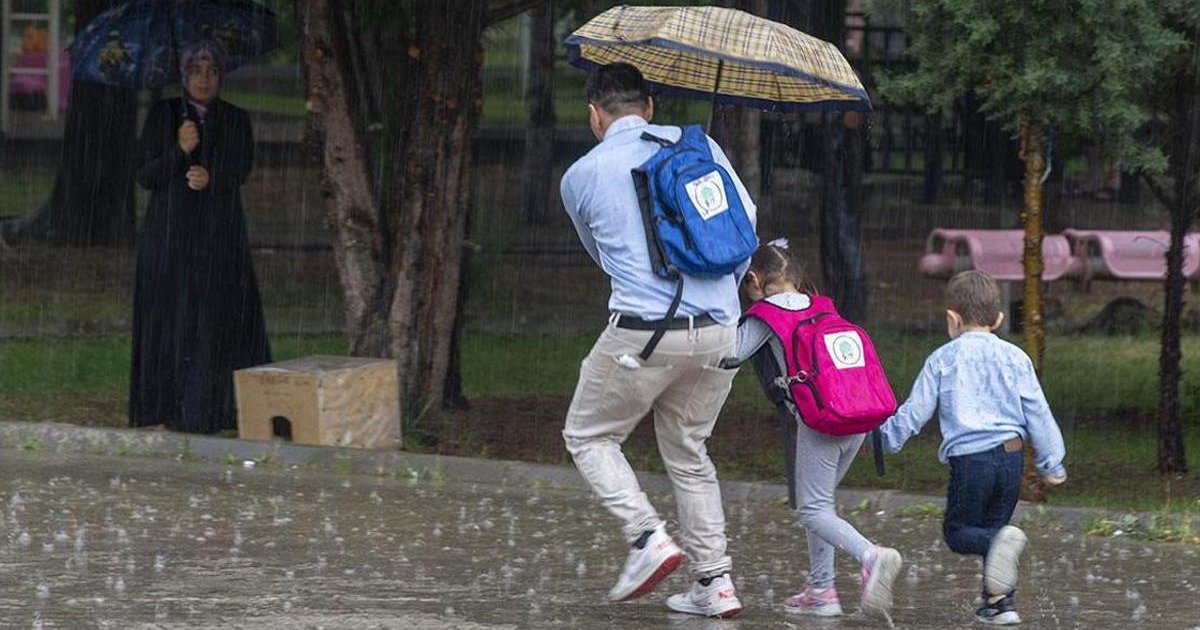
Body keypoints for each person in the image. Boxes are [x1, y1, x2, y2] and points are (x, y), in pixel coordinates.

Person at [559, 62, 756, 619]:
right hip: (721, 329)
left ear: (595, 116)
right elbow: (746, 229)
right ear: (650, 107)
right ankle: (715, 582)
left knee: (589, 435)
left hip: (644, 333)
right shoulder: (703, 151)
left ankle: (647, 538)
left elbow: (601, 256)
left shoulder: (581, 175)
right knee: (690, 453)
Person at [878, 270, 1067, 626]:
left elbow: (914, 413)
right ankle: (1000, 605)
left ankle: (999, 557)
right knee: (996, 529)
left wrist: (884, 439)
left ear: (952, 318)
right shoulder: (1016, 358)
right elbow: (1038, 411)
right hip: (1011, 456)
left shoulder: (943, 359)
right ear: (998, 318)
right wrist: (1051, 464)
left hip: (972, 460)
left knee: (960, 531)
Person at [730, 240, 902, 619]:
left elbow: (730, 353)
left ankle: (871, 555)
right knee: (821, 504)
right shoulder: (822, 305)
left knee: (812, 509)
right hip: (856, 416)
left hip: (820, 421)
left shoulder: (766, 314)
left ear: (755, 280)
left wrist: (722, 309)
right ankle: (821, 589)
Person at [128, 41, 270, 434]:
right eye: (196, 70)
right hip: (169, 235)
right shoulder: (165, 114)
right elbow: (145, 175)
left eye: (211, 70)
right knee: (171, 320)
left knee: (213, 319)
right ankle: (167, 406)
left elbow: (241, 168)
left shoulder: (235, 118)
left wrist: (212, 178)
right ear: (183, 75)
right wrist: (180, 150)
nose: (203, 79)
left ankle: (211, 409)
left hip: (217, 235)